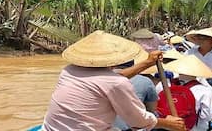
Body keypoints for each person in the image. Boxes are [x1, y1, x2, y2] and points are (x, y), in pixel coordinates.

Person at [42, 30, 186, 131]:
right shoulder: (114, 82)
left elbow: (109, 80)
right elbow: (138, 122)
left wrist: (147, 63)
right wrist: (167, 123)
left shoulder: (68, 71)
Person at [156, 56, 212, 131]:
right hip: (191, 128)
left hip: (165, 126)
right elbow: (206, 116)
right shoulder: (205, 91)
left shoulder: (162, 85)